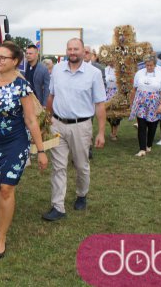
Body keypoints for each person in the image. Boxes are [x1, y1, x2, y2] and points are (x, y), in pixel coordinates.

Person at [0, 41, 48, 260]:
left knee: (6, 188)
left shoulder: (22, 86)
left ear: (15, 62)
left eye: (4, 57)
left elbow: (31, 120)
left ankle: (2, 238)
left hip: (16, 143)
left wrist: (40, 151)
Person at [42, 38, 106, 222]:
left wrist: (101, 132)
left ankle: (81, 194)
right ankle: (58, 206)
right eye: (69, 49)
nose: (72, 52)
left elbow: (100, 104)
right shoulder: (57, 70)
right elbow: (51, 96)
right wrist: (47, 120)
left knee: (81, 165)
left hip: (81, 126)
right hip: (58, 124)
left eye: (76, 49)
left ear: (83, 52)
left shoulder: (93, 74)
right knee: (58, 166)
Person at [129, 56, 161, 157]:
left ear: (155, 65)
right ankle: (142, 149)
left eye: (151, 65)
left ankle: (149, 144)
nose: (149, 67)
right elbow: (134, 89)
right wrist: (132, 102)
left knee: (152, 125)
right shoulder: (139, 73)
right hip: (141, 101)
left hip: (154, 102)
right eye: (147, 65)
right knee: (141, 124)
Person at [104, 62, 121, 141]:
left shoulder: (120, 69)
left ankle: (114, 133)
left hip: (117, 93)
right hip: (107, 93)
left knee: (116, 114)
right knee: (108, 114)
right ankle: (112, 129)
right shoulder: (105, 69)